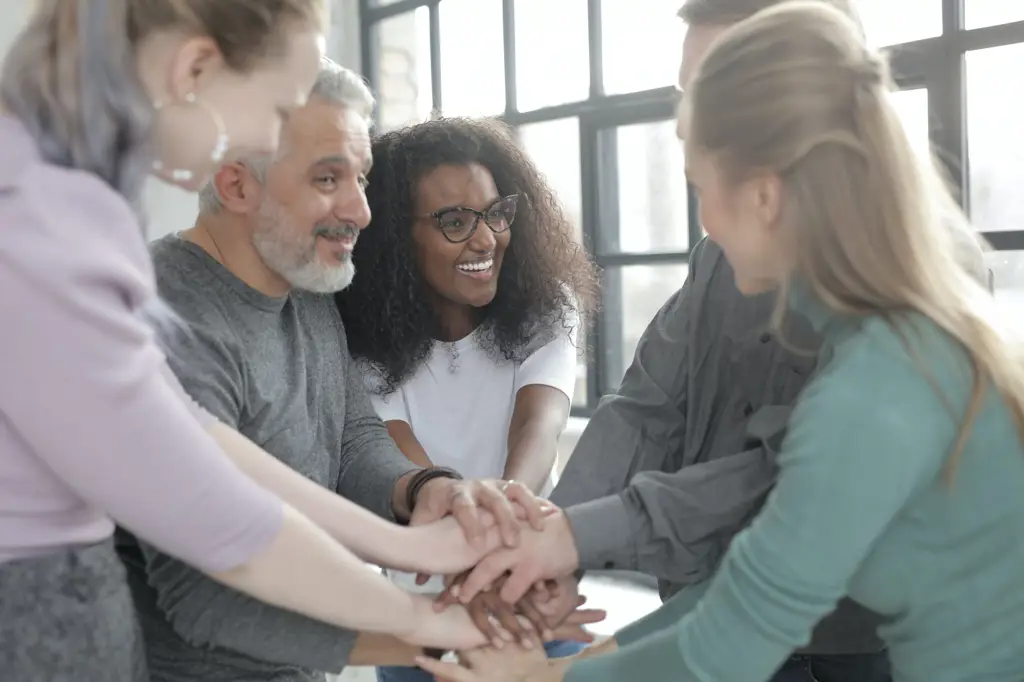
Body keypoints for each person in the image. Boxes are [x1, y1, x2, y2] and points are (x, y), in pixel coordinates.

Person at [417, 2, 1024, 681]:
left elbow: (743, 618)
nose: (698, 205)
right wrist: (566, 575)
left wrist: (545, 673)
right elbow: (749, 588)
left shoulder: (879, 380)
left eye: (703, 177)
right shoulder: (885, 332)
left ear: (764, 189)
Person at [0, 2, 581, 680]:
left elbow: (213, 452)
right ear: (194, 70)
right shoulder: (50, 220)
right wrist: (427, 621)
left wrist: (428, 520)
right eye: (279, 111)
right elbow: (216, 519)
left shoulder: (75, 201)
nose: (364, 211)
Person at [126, 69, 600, 682]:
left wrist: (425, 490)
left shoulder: (308, 293)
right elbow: (205, 600)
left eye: (363, 178)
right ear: (237, 185)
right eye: (328, 179)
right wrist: (440, 628)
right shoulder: (167, 320)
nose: (362, 210)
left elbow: (350, 440)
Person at [334, 117, 601, 682]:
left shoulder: (547, 306)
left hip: (525, 590)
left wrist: (500, 563)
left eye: (495, 213)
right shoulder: (360, 338)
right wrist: (480, 569)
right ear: (395, 239)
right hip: (421, 604)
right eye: (455, 221)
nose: (486, 238)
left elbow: (539, 430)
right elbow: (407, 469)